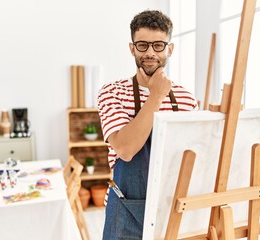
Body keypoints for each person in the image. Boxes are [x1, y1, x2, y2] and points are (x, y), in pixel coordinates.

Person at [97, 10, 198, 239]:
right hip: (125, 212)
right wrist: (156, 96)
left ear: (169, 49)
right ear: (132, 48)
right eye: (142, 45)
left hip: (175, 208)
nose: (150, 52)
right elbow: (126, 149)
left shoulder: (187, 98)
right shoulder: (112, 92)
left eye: (159, 45)